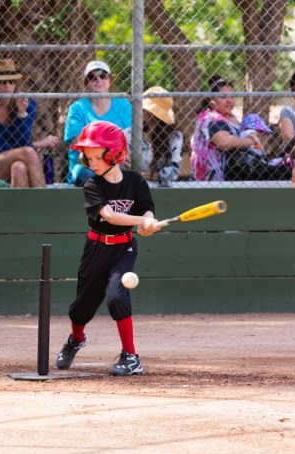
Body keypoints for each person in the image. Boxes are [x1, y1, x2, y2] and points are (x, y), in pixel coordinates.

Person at [55, 121, 160, 376]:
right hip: (96, 248)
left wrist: (148, 223)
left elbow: (147, 208)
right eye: (88, 158)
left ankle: (131, 357)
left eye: (97, 157)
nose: (92, 163)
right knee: (82, 307)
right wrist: (141, 221)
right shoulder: (93, 185)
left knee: (117, 297)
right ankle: (76, 339)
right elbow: (111, 216)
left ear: (114, 154)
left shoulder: (135, 182)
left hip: (124, 249)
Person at [0, 58, 59, 188]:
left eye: (11, 81)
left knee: (19, 167)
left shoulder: (27, 104)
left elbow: (23, 141)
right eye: (1, 82)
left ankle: (20, 203)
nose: (7, 86)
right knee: (28, 152)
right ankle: (44, 198)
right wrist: (38, 144)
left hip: (14, 159)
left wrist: (21, 114)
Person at [190, 75, 276, 181]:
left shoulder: (230, 117)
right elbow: (224, 143)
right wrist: (251, 140)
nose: (229, 101)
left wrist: (252, 134)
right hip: (212, 178)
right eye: (223, 97)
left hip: (234, 173)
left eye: (232, 96)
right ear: (212, 100)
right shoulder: (210, 118)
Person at [64, 60, 132, 186]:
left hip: (118, 161)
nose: (98, 80)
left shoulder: (123, 105)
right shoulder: (77, 108)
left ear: (109, 80)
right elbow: (80, 146)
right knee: (94, 176)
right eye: (92, 77)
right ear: (86, 83)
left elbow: (129, 137)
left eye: (103, 75)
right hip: (87, 165)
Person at [123, 86, 183, 187]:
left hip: (162, 188)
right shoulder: (129, 134)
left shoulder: (174, 137)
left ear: (154, 114)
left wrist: (142, 174)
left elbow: (173, 172)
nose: (139, 110)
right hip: (134, 187)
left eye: (144, 109)